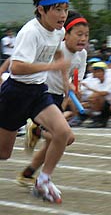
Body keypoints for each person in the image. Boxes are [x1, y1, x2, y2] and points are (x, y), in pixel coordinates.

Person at [0, 0, 71, 203]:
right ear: (41, 9)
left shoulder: (58, 32)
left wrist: (64, 77)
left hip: (38, 92)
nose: (63, 15)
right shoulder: (30, 32)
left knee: (63, 133)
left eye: (66, 9)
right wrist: (52, 66)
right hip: (15, 93)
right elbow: (17, 67)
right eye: (58, 9)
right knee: (3, 153)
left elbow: (57, 52)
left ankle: (43, 180)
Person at [17, 11, 89, 187]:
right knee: (66, 138)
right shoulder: (58, 48)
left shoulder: (83, 55)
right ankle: (37, 131)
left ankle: (28, 174)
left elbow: (75, 80)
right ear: (66, 34)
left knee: (53, 142)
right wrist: (68, 85)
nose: (83, 38)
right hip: (44, 95)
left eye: (86, 35)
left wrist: (72, 92)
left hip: (58, 97)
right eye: (79, 34)